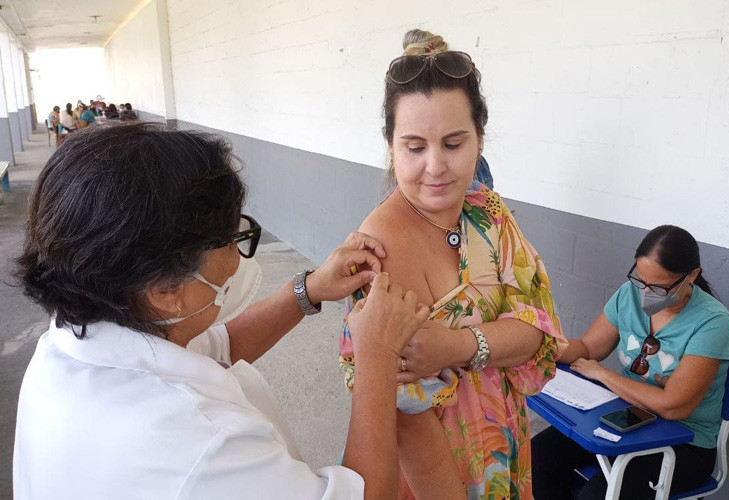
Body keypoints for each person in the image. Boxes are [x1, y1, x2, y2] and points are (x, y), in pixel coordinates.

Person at [13, 123, 430, 499]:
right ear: (164, 288)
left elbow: (218, 347)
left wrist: (310, 290)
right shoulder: (201, 445)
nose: (238, 253)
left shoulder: (75, 338)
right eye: (231, 239)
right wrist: (376, 355)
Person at [339, 29, 566, 499]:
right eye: (415, 147)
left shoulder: (488, 213)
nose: (437, 167)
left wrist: (454, 346)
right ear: (390, 145)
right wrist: (494, 341)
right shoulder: (380, 248)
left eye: (454, 143)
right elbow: (403, 414)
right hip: (438, 478)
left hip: (502, 444)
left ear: (480, 139)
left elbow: (537, 330)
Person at [531, 225, 729, 500]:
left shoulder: (712, 322)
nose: (644, 294)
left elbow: (673, 406)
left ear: (691, 277)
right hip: (626, 420)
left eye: (658, 288)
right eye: (640, 281)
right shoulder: (628, 294)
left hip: (684, 444)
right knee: (536, 459)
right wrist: (540, 346)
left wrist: (603, 375)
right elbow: (589, 347)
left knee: (598, 496)